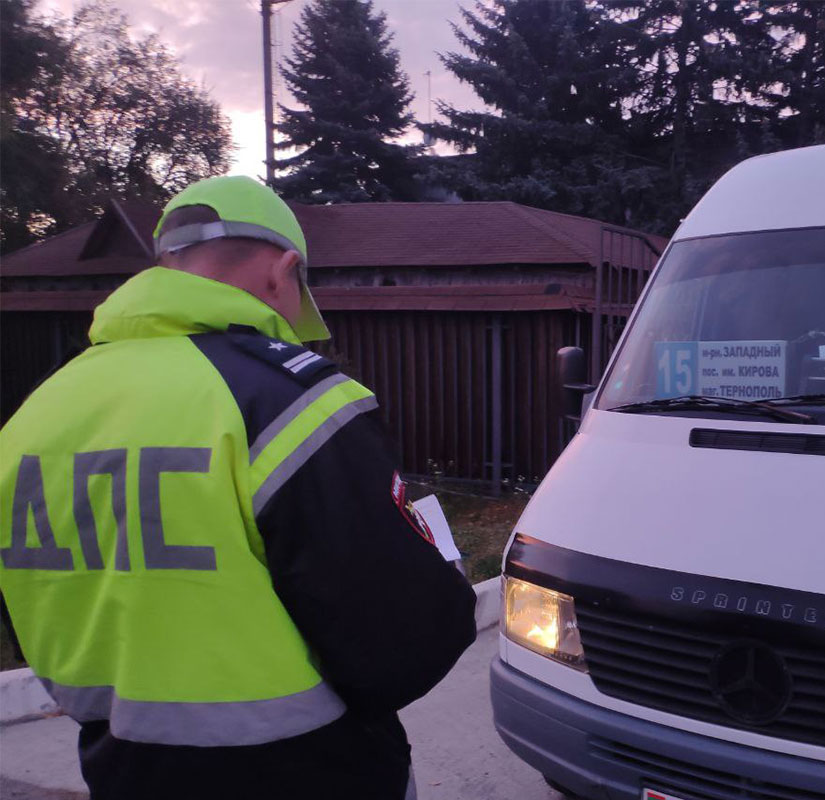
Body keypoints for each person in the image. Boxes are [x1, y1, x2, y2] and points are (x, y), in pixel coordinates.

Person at [0, 176, 477, 800]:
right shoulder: (292, 402)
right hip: (309, 771)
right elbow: (396, 641)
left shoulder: (36, 414)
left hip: (120, 767)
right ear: (284, 272)